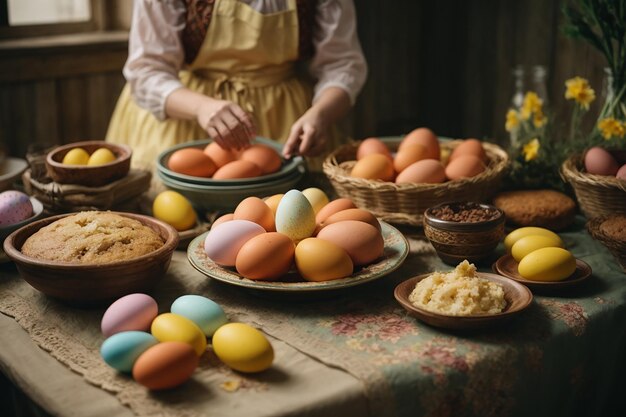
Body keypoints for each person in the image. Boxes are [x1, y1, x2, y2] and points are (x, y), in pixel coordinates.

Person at [106, 0, 368, 173]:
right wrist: (201, 107)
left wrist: (321, 113)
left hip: (284, 119)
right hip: (182, 114)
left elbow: (343, 64)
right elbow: (146, 70)